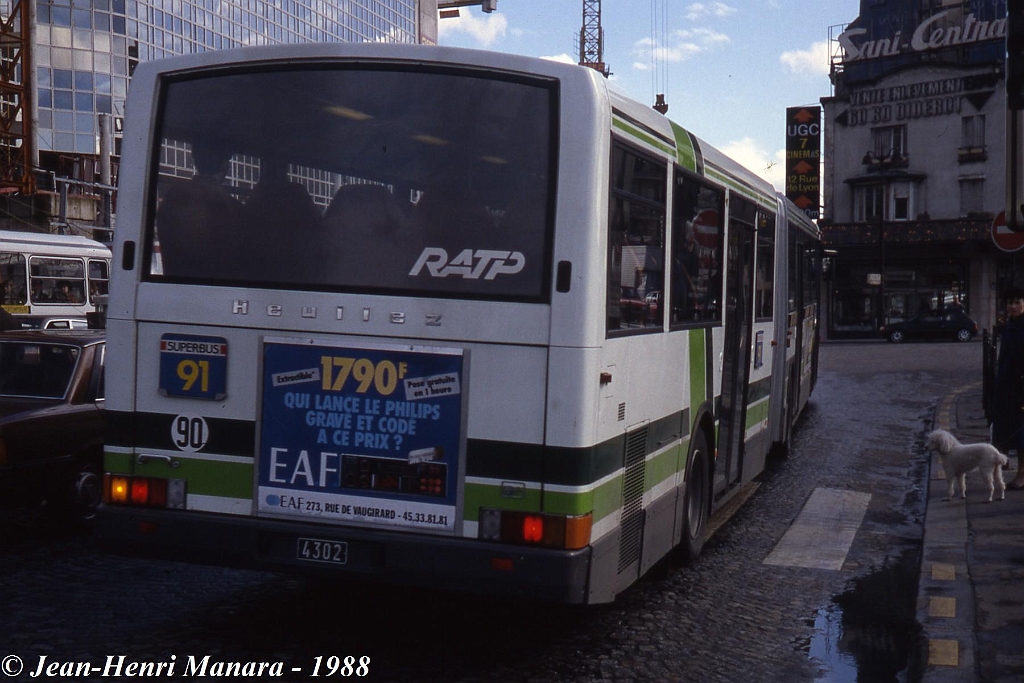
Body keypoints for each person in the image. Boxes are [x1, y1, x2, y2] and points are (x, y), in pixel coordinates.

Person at [991, 286, 1024, 489]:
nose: (1013, 306)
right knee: (1011, 427)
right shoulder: (1012, 324)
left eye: (1018, 302)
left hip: (1021, 385)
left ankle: (1022, 475)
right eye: (1010, 302)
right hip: (1009, 385)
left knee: (1022, 433)